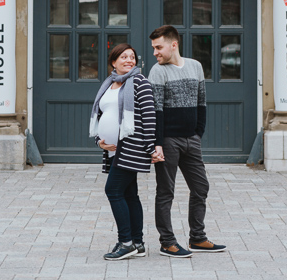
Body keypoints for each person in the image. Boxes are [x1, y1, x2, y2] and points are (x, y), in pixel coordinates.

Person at [149, 25, 226, 258]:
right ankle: (167, 242)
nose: (155, 52)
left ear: (174, 45)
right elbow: (155, 110)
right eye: (153, 48)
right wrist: (157, 143)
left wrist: (197, 133)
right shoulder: (157, 71)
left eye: (159, 47)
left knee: (201, 187)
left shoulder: (195, 66)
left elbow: (202, 102)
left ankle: (198, 238)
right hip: (168, 141)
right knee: (166, 192)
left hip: (191, 139)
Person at [89, 43, 162, 261]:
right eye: (124, 57)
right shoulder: (109, 83)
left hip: (132, 147)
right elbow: (101, 115)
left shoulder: (139, 81)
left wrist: (150, 147)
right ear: (113, 61)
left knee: (113, 190)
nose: (129, 60)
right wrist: (99, 141)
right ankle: (137, 243)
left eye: (132, 57)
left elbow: (149, 117)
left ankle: (126, 242)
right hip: (113, 150)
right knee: (129, 194)